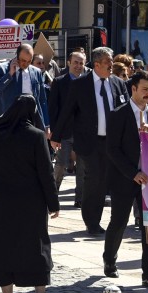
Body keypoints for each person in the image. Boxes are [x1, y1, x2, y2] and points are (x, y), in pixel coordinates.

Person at [0, 95, 59, 293]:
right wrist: (53, 203)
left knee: (3, 248)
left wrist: (0, 189)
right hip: (32, 201)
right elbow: (45, 172)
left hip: (2, 200)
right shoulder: (36, 136)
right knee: (35, 247)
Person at [51, 46, 126, 234]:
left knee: (107, 181)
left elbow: (125, 110)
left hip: (113, 142)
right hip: (89, 141)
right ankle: (92, 221)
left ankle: (104, 220)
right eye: (108, 62)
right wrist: (56, 136)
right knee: (94, 181)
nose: (111, 66)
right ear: (97, 64)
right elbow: (67, 111)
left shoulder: (117, 83)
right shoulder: (81, 84)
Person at [103, 71, 148, 289]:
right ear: (134, 89)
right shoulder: (119, 114)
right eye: (144, 89)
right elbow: (112, 149)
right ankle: (109, 260)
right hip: (124, 177)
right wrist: (132, 172)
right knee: (119, 221)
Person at [49, 50, 87, 193]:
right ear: (69, 63)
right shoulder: (59, 82)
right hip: (64, 131)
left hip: (82, 132)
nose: (78, 66)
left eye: (81, 63)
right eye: (75, 62)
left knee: (83, 166)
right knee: (61, 164)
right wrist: (54, 132)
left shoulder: (88, 82)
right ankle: (52, 194)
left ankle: (80, 198)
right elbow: (53, 109)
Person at [0, 43, 49, 127]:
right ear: (16, 56)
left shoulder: (36, 72)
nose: (26, 64)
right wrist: (10, 74)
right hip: (7, 122)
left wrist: (46, 124)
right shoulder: (2, 68)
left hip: (31, 122)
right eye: (23, 60)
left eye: (29, 61)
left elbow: (42, 100)